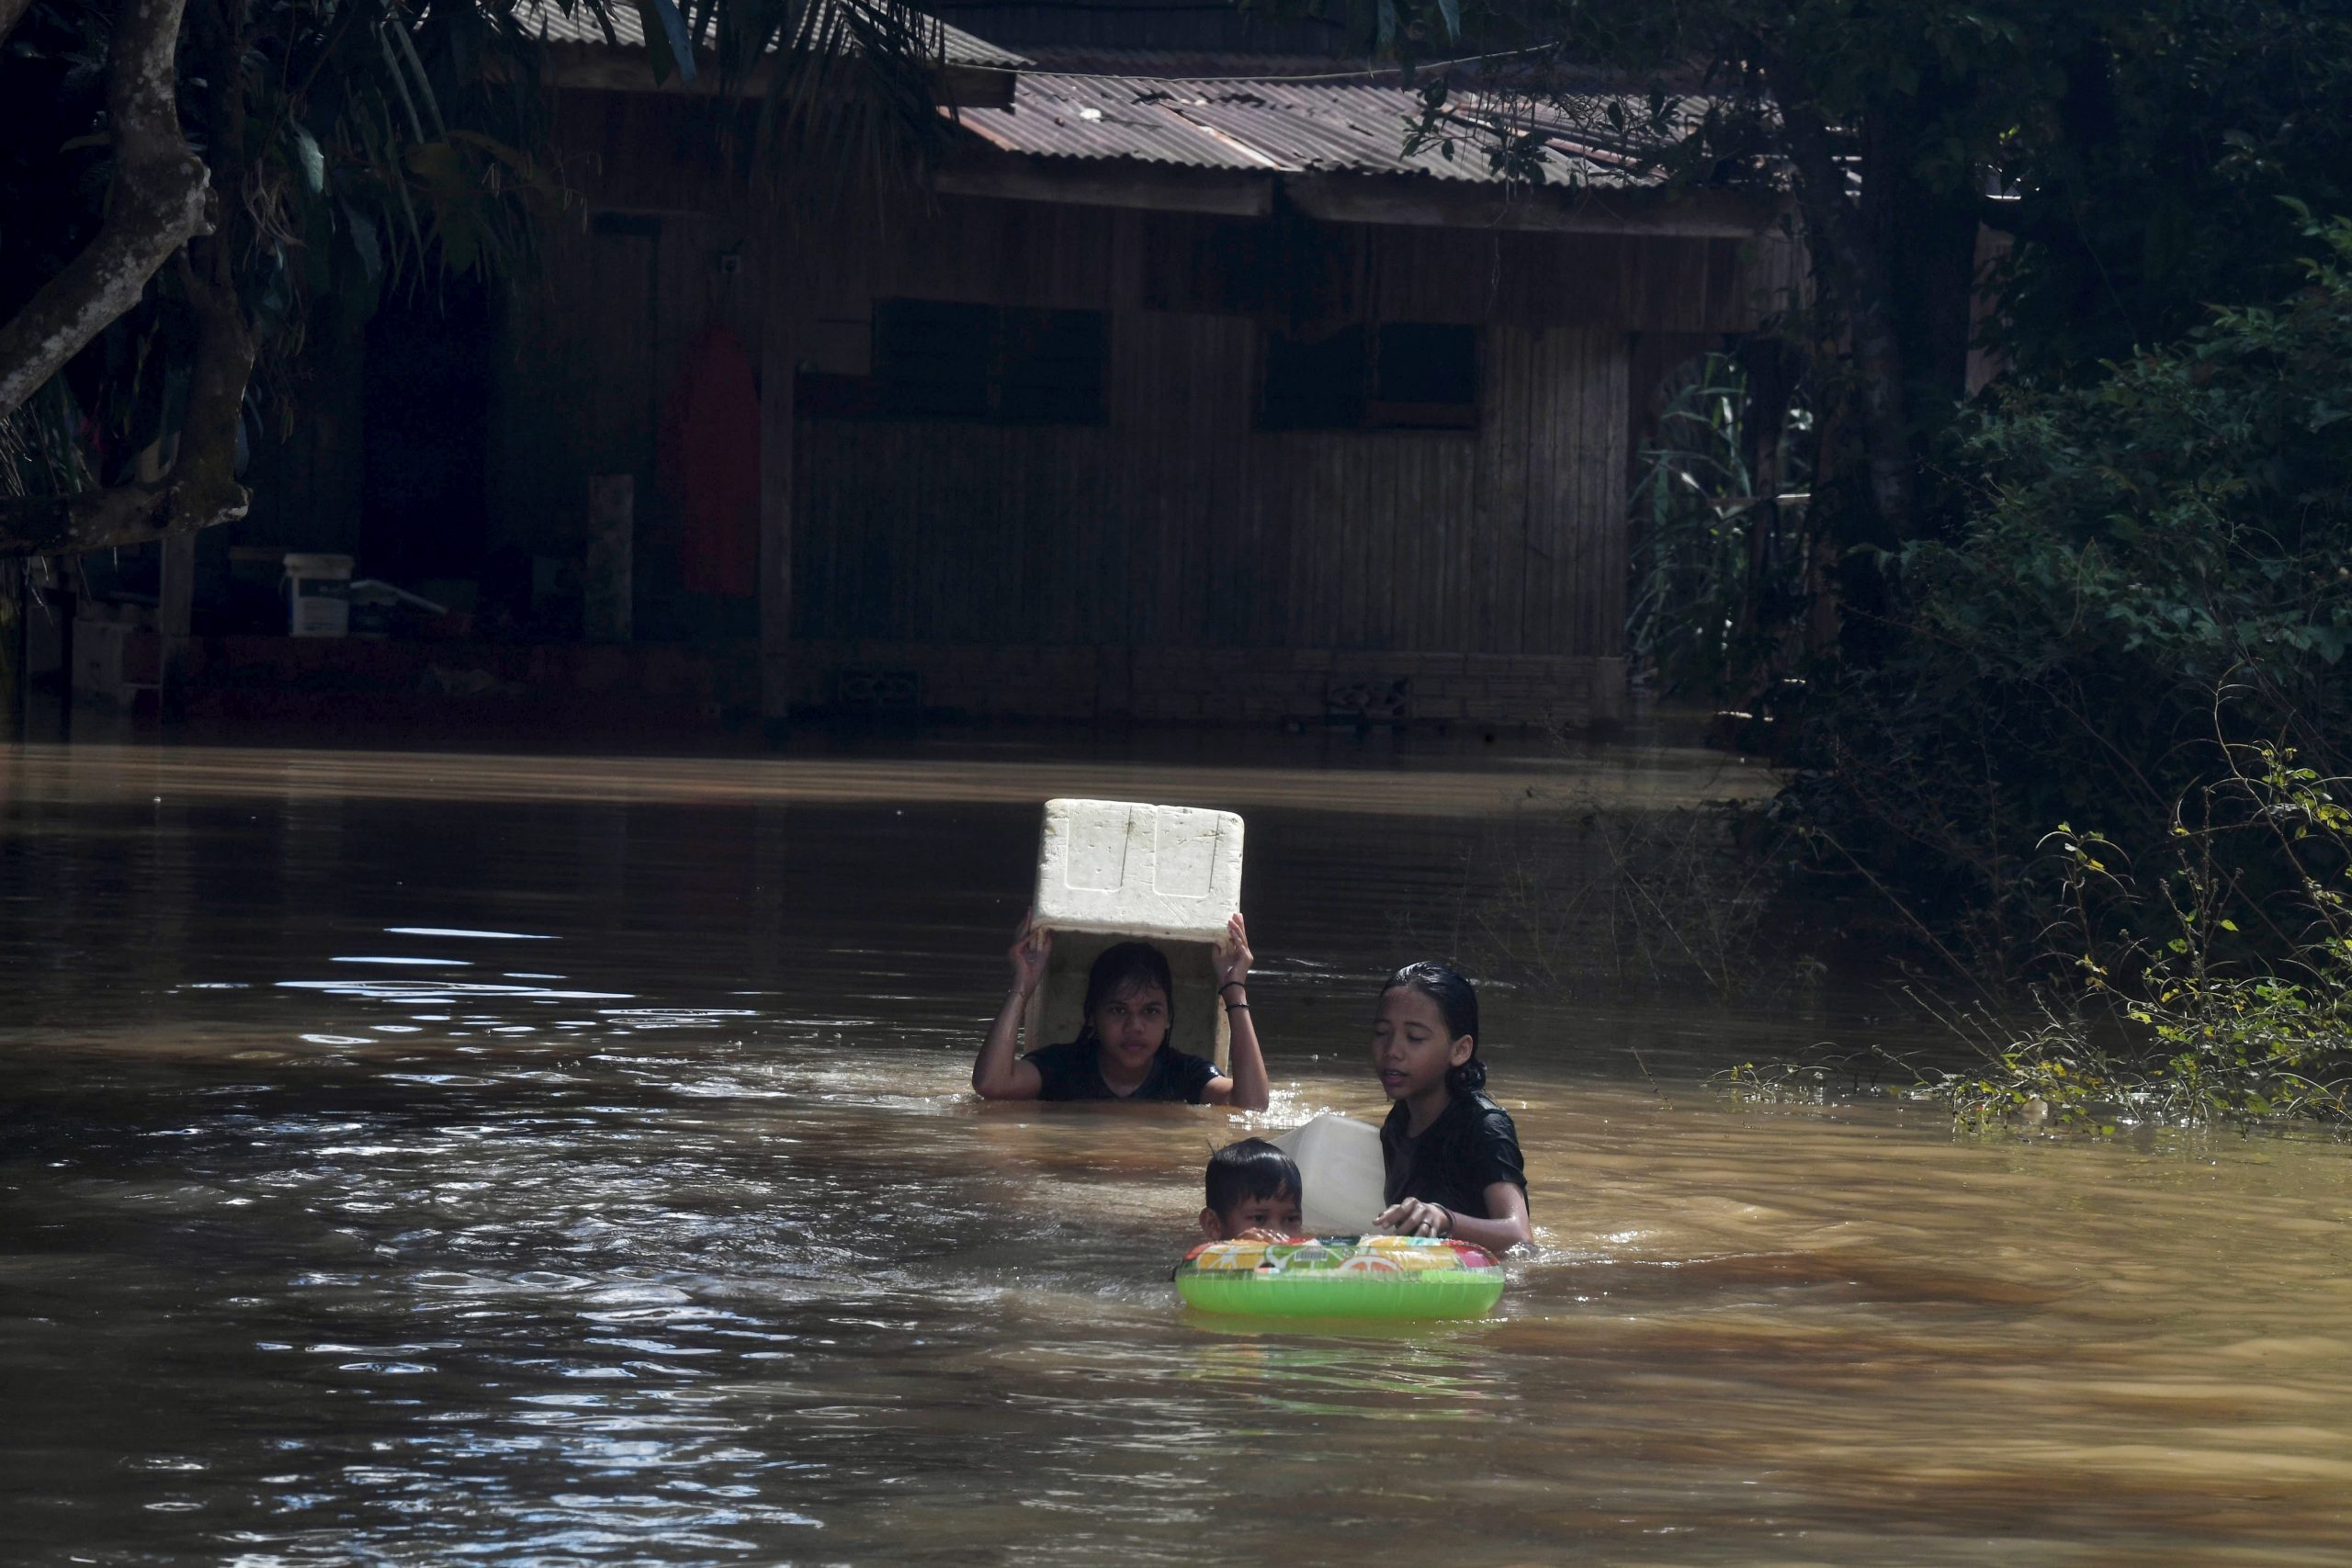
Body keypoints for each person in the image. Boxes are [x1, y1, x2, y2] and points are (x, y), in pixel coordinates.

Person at [971, 910, 1270, 1108]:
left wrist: (1234, 987)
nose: (1134, 1026)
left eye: (1151, 1011)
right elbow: (992, 1084)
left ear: (1167, 1019)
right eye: (1118, 1010)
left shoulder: (1182, 1076)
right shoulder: (1064, 1068)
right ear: (1092, 1016)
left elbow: (1253, 1104)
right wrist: (1022, 984)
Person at [1369, 960, 1532, 1254]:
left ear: (1460, 1050)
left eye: (1414, 1037)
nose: (1392, 1050)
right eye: (1382, 1032)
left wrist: (1445, 1219)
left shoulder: (1484, 1126)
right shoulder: (1397, 1123)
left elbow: (1519, 1236)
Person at [1198, 1137, 1305, 1242]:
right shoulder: (1201, 1259)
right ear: (1214, 1225)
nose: (1278, 1233)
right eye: (1258, 1218)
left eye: (1291, 1219)